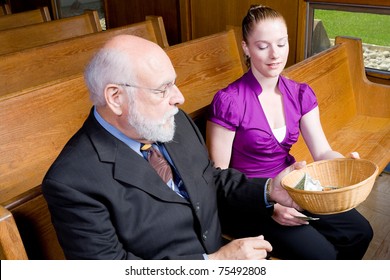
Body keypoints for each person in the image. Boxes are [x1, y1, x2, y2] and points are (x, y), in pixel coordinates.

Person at [42, 34, 305, 260]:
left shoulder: (172, 121)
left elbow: (209, 180)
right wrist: (212, 264)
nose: (179, 98)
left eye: (174, 83)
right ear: (115, 97)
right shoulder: (72, 181)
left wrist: (270, 190)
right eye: (162, 89)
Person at [206, 5, 373, 260]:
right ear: (246, 48)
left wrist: (343, 164)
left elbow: (321, 150)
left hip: (295, 187)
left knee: (360, 232)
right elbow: (217, 175)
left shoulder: (300, 93)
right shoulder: (230, 101)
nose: (275, 55)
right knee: (322, 255)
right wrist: (269, 205)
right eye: (263, 46)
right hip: (252, 200)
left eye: (281, 44)